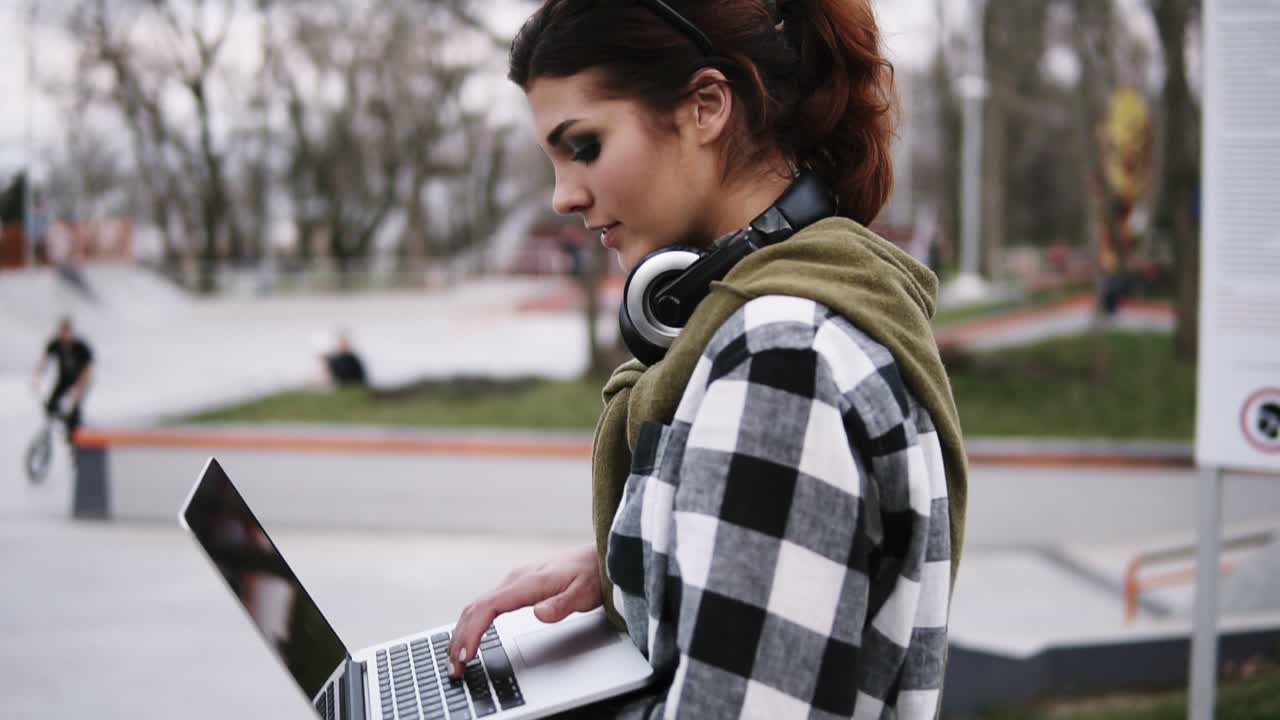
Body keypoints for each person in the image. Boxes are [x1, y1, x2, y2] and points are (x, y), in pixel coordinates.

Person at [447, 1, 968, 717]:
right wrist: (636, 564)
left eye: (585, 146)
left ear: (705, 107)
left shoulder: (782, 368)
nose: (565, 195)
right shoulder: (787, 332)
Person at [32, 316, 94, 441]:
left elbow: (87, 371)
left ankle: (74, 434)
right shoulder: (55, 344)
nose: (64, 334)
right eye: (61, 331)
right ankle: (61, 422)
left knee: (74, 411)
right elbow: (44, 361)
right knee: (50, 405)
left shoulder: (80, 347)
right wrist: (38, 376)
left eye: (66, 331)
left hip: (79, 380)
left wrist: (78, 390)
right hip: (63, 379)